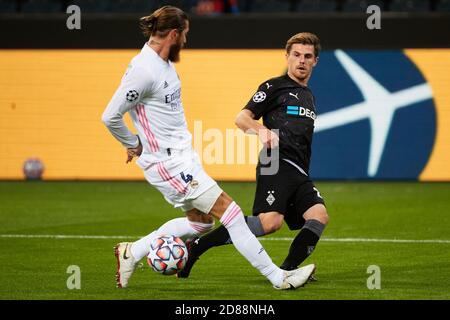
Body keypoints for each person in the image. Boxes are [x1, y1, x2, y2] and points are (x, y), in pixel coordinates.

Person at [101, 6, 315, 290]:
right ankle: (279, 277)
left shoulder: (162, 64)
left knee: (201, 225)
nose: (186, 41)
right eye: (185, 34)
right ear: (174, 34)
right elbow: (110, 116)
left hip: (182, 160)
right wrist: (133, 143)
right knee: (232, 213)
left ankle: (133, 252)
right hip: (168, 165)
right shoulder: (143, 70)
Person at [177, 32, 329, 279]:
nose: (302, 60)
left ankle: (288, 270)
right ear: (287, 57)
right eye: (297, 55)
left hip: (299, 170)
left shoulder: (309, 95)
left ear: (315, 61)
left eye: (308, 56)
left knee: (318, 216)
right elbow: (242, 119)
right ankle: (197, 247)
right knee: (269, 222)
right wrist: (262, 131)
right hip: (275, 162)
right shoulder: (274, 86)